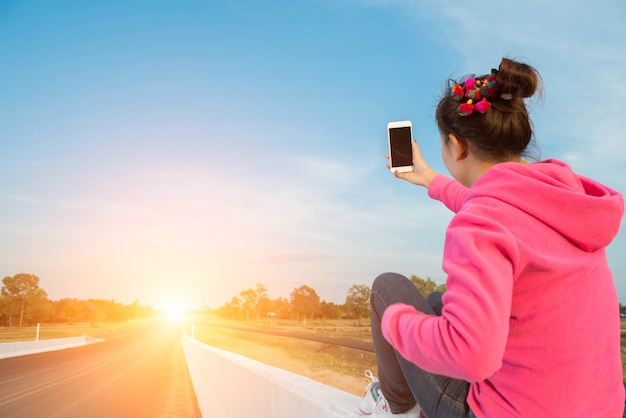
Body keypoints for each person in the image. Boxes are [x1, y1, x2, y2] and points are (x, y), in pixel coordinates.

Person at [359, 57, 625, 417]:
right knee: (439, 301)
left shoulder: (480, 222)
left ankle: (395, 405)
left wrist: (394, 324)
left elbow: (471, 356)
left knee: (386, 289)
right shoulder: (563, 201)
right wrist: (429, 179)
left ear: (457, 146)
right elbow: (497, 207)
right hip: (599, 410)